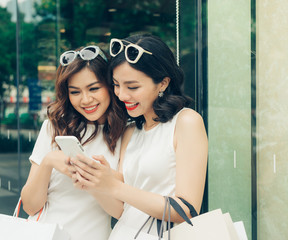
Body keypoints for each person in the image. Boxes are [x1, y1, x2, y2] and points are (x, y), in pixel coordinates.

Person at [70, 34, 208, 238]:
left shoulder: (186, 122)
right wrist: (96, 184)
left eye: (132, 87)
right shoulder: (130, 130)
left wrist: (114, 185)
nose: (122, 95)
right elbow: (123, 211)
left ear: (162, 83)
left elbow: (186, 209)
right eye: (116, 84)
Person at [20, 45, 127, 240]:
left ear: (110, 86)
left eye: (94, 88)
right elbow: (29, 205)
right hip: (45, 234)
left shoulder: (125, 134)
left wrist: (90, 180)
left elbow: (120, 212)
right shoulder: (53, 128)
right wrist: (49, 161)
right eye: (75, 92)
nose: (86, 100)